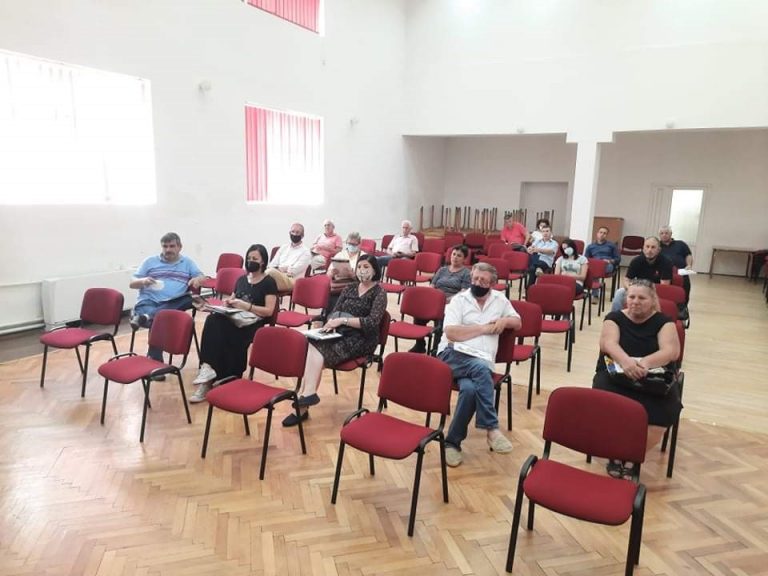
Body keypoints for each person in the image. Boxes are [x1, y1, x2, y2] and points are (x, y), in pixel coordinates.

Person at [284, 254, 388, 427]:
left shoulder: (379, 293)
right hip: (341, 332)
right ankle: (307, 395)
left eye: (366, 267)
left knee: (317, 354)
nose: (362, 270)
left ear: (375, 270)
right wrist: (330, 323)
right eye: (359, 267)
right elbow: (335, 311)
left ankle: (303, 404)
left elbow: (372, 322)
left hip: (362, 339)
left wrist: (343, 321)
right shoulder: (350, 288)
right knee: (312, 343)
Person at [437, 262, 522, 467]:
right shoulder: (459, 300)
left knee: (470, 389)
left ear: (492, 284)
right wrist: (484, 328)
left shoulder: (500, 300)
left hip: (481, 360)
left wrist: (505, 322)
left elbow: (518, 322)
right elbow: (452, 333)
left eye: (483, 281)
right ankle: (491, 428)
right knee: (481, 368)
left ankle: (452, 443)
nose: (477, 283)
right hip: (452, 355)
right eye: (475, 279)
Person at [592, 279, 681, 476]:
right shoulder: (614, 318)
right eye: (631, 297)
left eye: (642, 298)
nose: (635, 301)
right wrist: (626, 362)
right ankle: (615, 454)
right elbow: (608, 344)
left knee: (662, 413)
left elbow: (671, 351)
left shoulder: (664, 322)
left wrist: (645, 363)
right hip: (616, 375)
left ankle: (633, 456)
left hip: (651, 379)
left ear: (653, 300)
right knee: (607, 408)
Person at [189, 244, 278, 403]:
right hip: (236, 317)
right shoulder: (242, 279)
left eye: (255, 258)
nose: (251, 261)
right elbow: (232, 298)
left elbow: (269, 311)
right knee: (213, 320)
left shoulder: (268, 282)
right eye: (249, 258)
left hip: (253, 322)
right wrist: (228, 303)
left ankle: (219, 375)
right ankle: (208, 369)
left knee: (224, 331)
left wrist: (246, 306)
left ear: (263, 262)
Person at [129, 232, 207, 362]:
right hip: (149, 301)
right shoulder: (149, 261)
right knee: (160, 318)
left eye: (172, 246)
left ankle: (144, 318)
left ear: (179, 247)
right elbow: (132, 283)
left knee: (187, 299)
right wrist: (143, 281)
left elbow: (201, 276)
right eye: (165, 246)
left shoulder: (187, 262)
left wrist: (197, 279)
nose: (168, 250)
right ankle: (155, 357)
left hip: (175, 302)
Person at [409, 244, 472, 353]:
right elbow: (432, 285)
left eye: (459, 256)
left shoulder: (466, 273)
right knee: (419, 315)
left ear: (464, 259)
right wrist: (434, 298)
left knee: (440, 322)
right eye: (454, 254)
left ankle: (436, 349)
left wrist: (447, 300)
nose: (455, 257)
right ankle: (420, 345)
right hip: (435, 300)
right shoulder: (442, 270)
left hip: (451, 303)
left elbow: (463, 292)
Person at [610, 236, 673, 312]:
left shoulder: (666, 263)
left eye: (653, 247)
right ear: (643, 248)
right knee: (619, 293)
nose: (649, 250)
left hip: (655, 292)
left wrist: (647, 292)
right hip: (638, 289)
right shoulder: (636, 261)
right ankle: (615, 316)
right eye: (647, 246)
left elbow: (664, 286)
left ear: (658, 250)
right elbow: (627, 279)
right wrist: (630, 288)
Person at [326, 231, 367, 314]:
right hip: (338, 284)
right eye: (349, 244)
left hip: (355, 286)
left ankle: (338, 316)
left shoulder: (364, 257)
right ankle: (328, 316)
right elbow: (328, 274)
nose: (351, 246)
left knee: (341, 299)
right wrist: (332, 273)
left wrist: (354, 275)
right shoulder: (340, 255)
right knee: (329, 296)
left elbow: (367, 278)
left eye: (354, 244)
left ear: (359, 244)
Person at [266, 223, 312, 291]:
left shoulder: (306, 252)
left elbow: (293, 271)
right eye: (293, 232)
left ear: (302, 235)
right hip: (277, 276)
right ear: (289, 233)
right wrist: (283, 268)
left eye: (297, 232)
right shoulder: (284, 247)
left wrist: (278, 269)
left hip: (292, 281)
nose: (294, 234)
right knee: (260, 276)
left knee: (269, 273)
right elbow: (272, 264)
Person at [659, 225, 693, 303]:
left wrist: (689, 265)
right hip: (663, 273)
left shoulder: (680, 244)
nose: (664, 235)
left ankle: (683, 306)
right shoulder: (657, 246)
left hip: (681, 272)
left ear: (671, 234)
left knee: (685, 288)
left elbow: (688, 255)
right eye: (662, 233)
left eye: (666, 233)